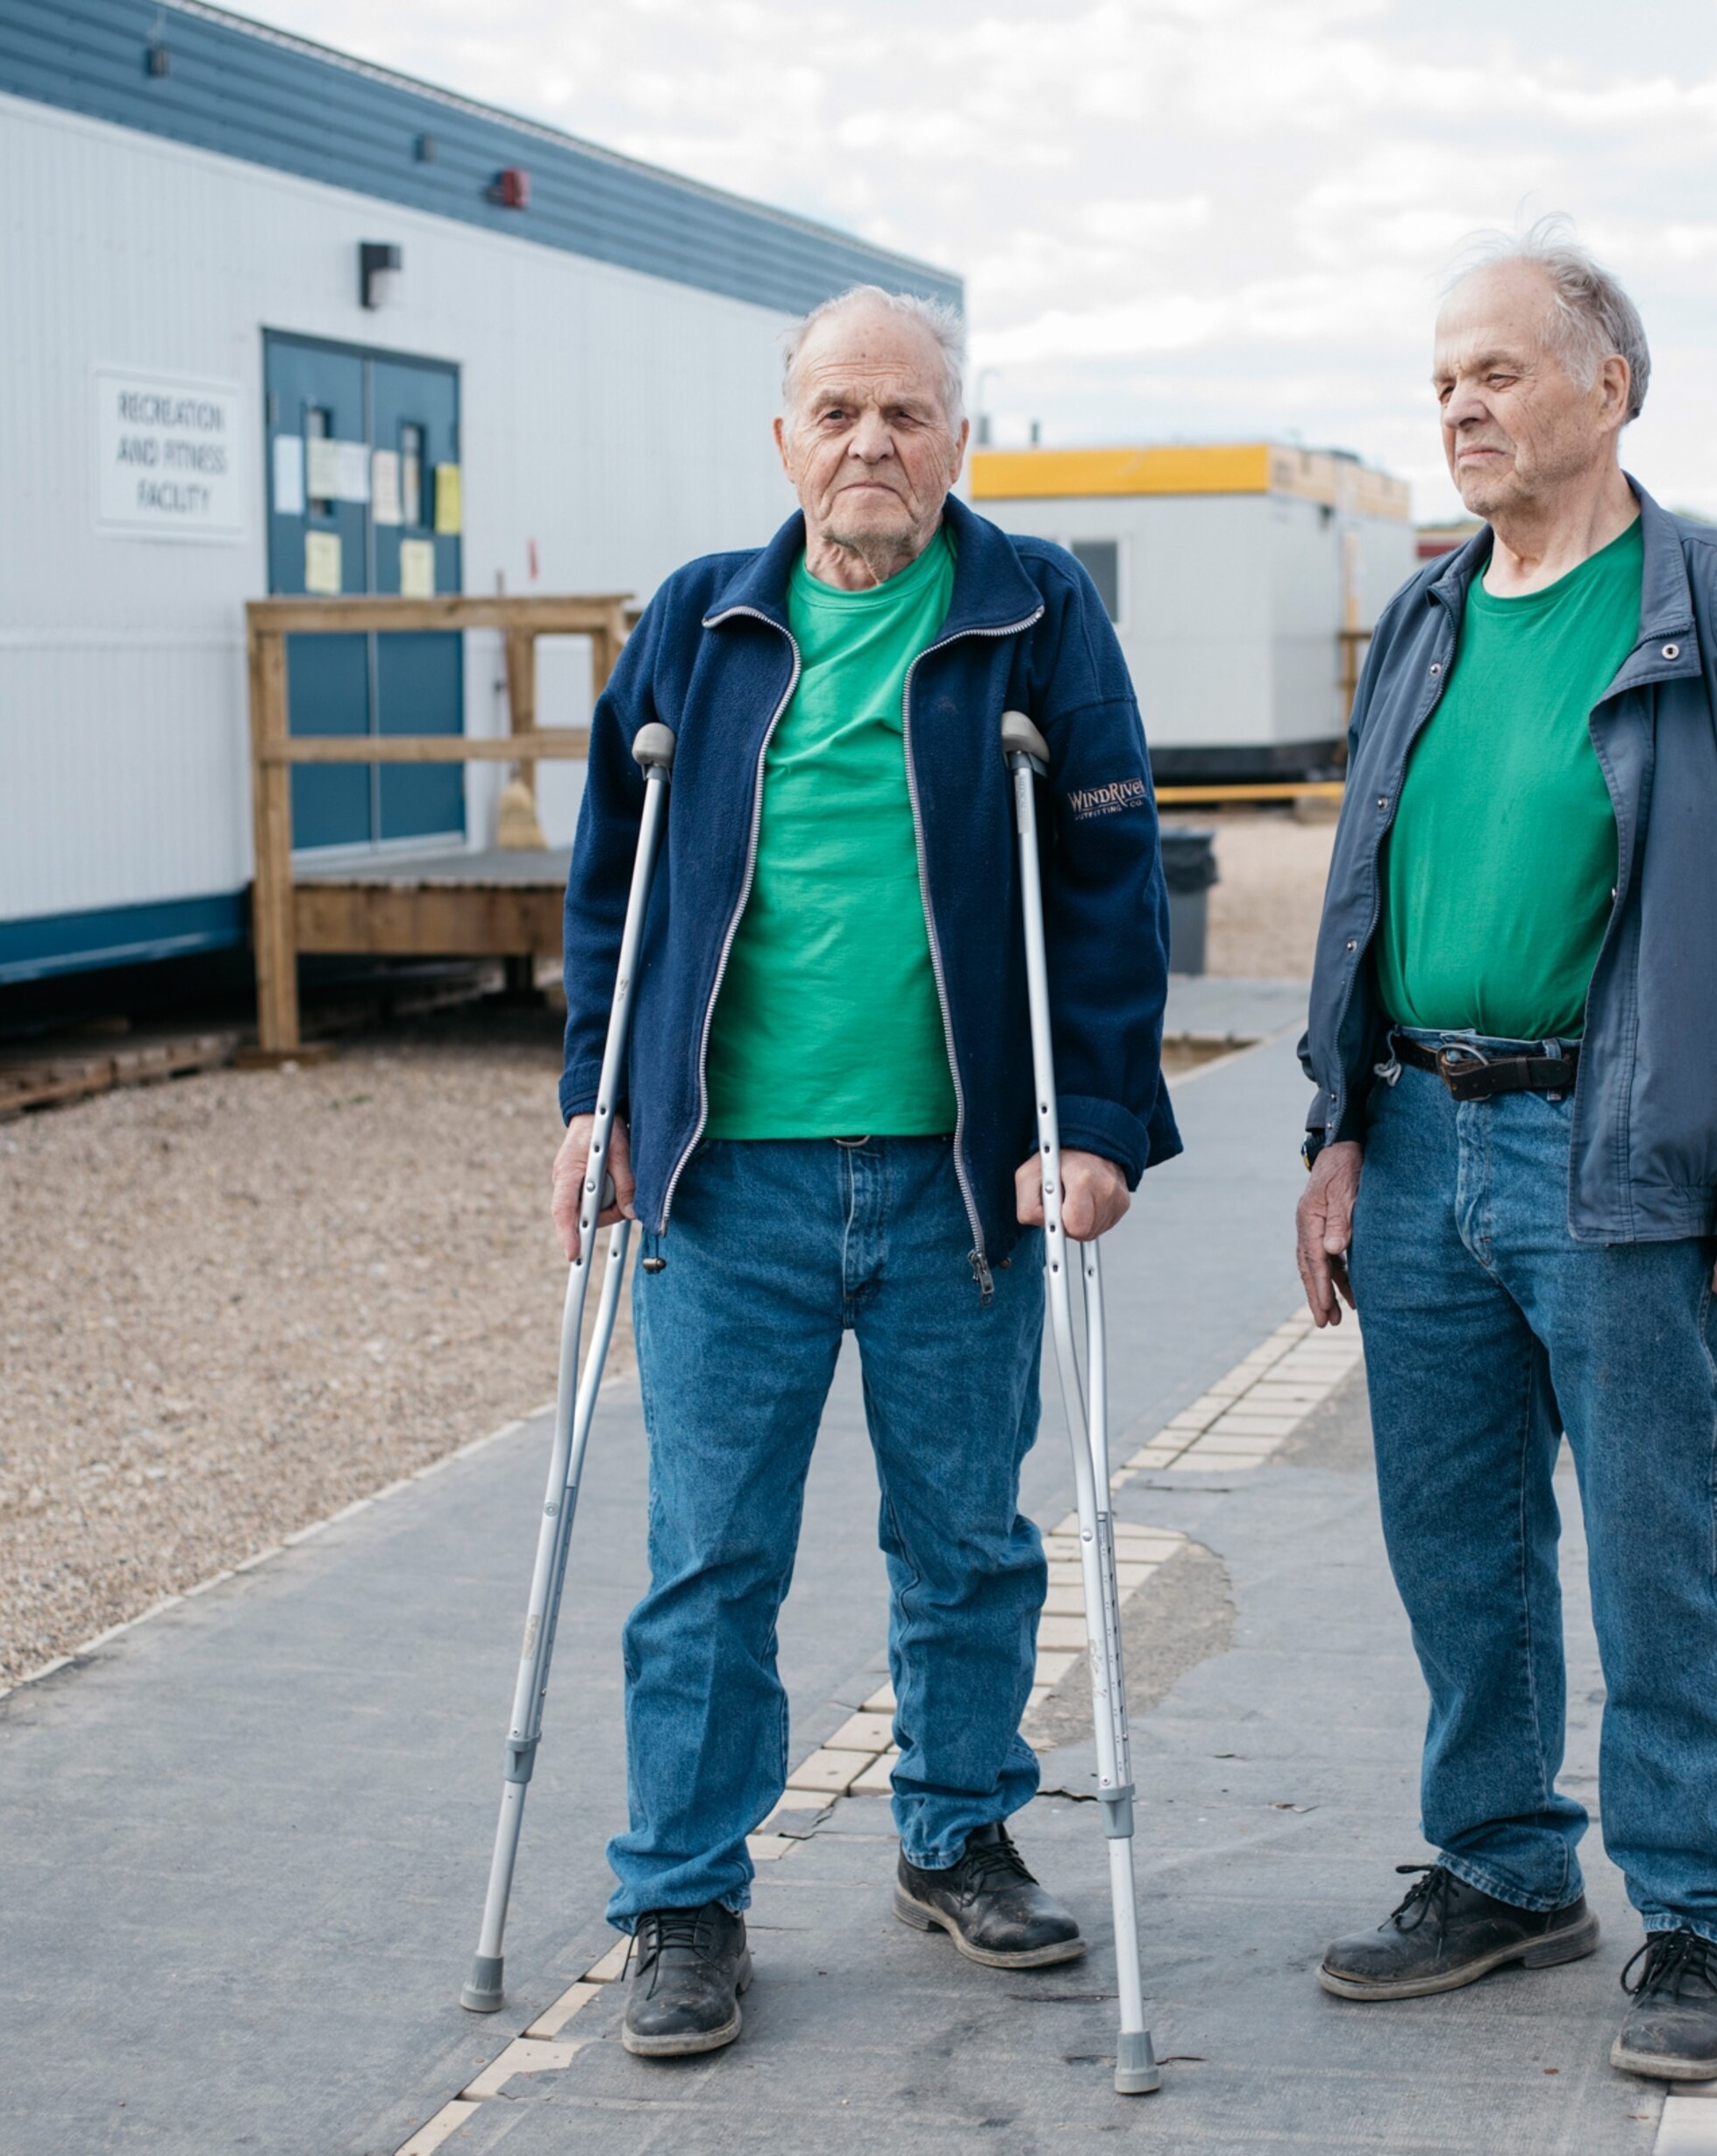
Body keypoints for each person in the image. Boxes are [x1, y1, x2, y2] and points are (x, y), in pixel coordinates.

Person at [551, 286, 1178, 2060]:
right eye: (836, 411)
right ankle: (681, 1891)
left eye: (905, 412)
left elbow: (1113, 892)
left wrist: (1105, 1120)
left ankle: (958, 1824)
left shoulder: (1034, 612)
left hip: (958, 1177)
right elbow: (614, 876)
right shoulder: (702, 621)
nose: (870, 444)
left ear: (959, 436)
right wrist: (590, 1098)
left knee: (968, 1535)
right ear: (784, 439)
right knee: (707, 1556)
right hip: (721, 1175)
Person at [1292, 221, 1717, 2082]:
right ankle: (1503, 1865)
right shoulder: (1429, 611)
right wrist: (1332, 1127)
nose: (1462, 405)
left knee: (1660, 1544)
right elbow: (1363, 886)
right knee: (1457, 1544)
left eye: (1499, 371)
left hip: (1615, 1153)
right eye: (1443, 379)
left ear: (1606, 386)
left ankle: (1702, 1909)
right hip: (1419, 1141)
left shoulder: (1710, 601)